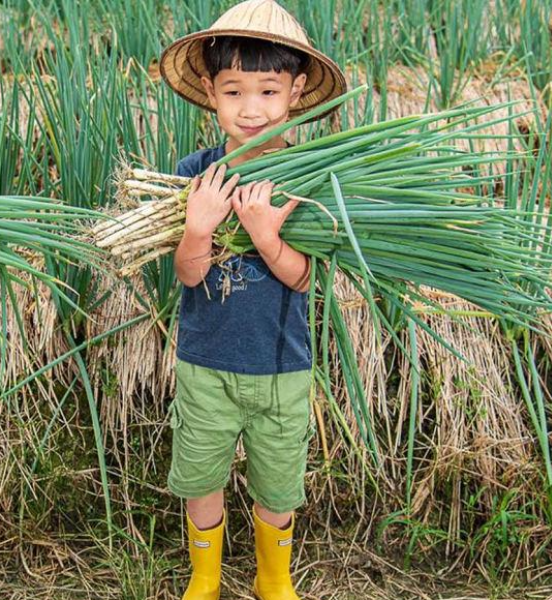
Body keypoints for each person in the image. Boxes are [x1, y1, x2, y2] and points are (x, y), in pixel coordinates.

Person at [158, 1, 346, 598]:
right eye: (233, 90)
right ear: (211, 93)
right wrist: (198, 227)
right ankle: (204, 578)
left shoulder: (308, 177)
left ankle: (274, 579)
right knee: (201, 474)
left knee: (278, 482)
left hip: (282, 366)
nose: (251, 108)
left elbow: (304, 278)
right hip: (206, 360)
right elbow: (188, 276)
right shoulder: (198, 173)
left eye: (268, 90)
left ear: (294, 91)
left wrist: (266, 235)